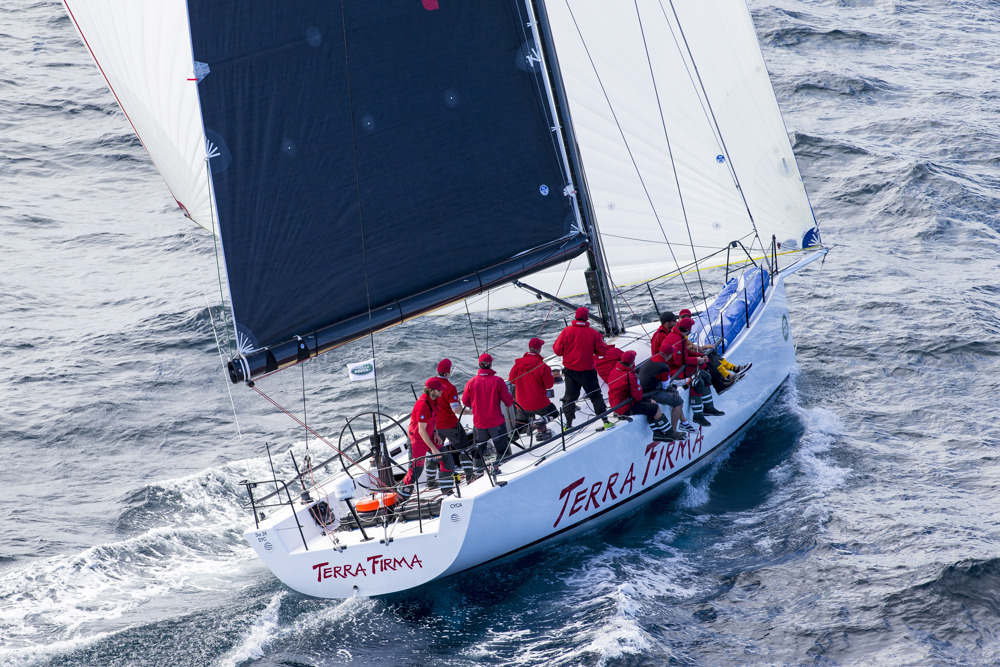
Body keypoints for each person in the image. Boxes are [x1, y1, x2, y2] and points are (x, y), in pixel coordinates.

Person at [552, 306, 612, 430]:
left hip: (570, 371)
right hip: (587, 371)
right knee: (595, 395)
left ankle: (568, 426)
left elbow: (558, 351)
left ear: (575, 317)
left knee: (569, 398)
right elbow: (601, 352)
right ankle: (605, 421)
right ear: (586, 318)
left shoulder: (566, 331)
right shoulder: (592, 333)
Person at [663, 317, 725, 427]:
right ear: (689, 329)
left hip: (680, 368)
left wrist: (700, 356)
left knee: (706, 375)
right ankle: (697, 415)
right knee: (697, 380)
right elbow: (679, 361)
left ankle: (708, 408)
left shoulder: (678, 336)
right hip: (674, 371)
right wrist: (697, 360)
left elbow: (685, 353)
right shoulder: (676, 340)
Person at [607, 351, 682, 441]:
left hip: (616, 403)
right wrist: (639, 387)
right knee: (655, 407)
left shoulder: (614, 370)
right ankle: (671, 432)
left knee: (651, 402)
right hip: (624, 406)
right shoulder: (629, 376)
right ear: (632, 362)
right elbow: (637, 396)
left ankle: (657, 433)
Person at [399, 378, 453, 499]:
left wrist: (435, 433)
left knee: (447, 458)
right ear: (431, 390)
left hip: (429, 436)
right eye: (439, 390)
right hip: (417, 440)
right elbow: (421, 430)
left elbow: (432, 419)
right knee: (415, 473)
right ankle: (401, 496)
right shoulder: (423, 404)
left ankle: (447, 492)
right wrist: (433, 449)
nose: (441, 392)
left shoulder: (435, 400)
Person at [461, 352, 514, 475]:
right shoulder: (498, 381)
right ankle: (500, 469)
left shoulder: (471, 382)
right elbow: (508, 402)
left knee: (479, 450)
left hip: (479, 424)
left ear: (479, 365)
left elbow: (465, 401)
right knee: (502, 449)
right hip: (496, 423)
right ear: (490, 365)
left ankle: (478, 473)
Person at [508, 337, 559, 438]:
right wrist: (552, 375)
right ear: (539, 349)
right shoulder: (543, 366)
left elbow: (512, 380)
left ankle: (510, 444)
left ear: (530, 348)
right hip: (539, 403)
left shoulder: (517, 365)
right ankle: (541, 422)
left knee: (518, 426)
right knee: (555, 413)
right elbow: (549, 385)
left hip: (522, 405)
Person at [637, 347, 693, 435]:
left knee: (675, 392)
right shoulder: (664, 367)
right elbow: (665, 385)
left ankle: (684, 423)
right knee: (678, 402)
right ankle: (674, 432)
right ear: (669, 355)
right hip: (652, 393)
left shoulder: (652, 359)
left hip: (644, 390)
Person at [430, 358, 463, 490]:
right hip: (450, 424)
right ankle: (471, 474)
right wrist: (470, 412)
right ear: (448, 372)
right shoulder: (450, 387)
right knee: (463, 447)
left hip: (435, 426)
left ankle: (431, 482)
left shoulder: (430, 386)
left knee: (435, 452)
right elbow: (456, 409)